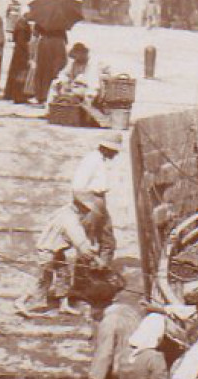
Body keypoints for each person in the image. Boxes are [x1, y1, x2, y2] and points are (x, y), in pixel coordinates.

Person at [17, 198, 101, 317]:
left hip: (57, 249)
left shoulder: (64, 210)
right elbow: (80, 242)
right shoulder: (71, 220)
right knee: (44, 279)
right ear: (79, 208)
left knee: (64, 275)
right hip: (48, 250)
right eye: (86, 210)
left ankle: (64, 304)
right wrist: (96, 259)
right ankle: (22, 301)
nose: (87, 213)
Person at [87, 280, 144, 379]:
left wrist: (95, 376)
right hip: (136, 361)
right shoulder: (130, 311)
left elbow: (105, 353)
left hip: (119, 366)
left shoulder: (109, 322)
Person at [71, 132, 122, 262]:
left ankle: (101, 271)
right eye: (114, 151)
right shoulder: (91, 161)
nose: (116, 154)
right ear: (106, 148)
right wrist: (90, 207)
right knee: (87, 242)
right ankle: (84, 276)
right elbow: (77, 187)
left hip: (98, 202)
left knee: (108, 241)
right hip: (89, 204)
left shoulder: (101, 160)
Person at [30, 24, 70, 107]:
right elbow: (65, 40)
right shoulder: (60, 19)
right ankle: (47, 95)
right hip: (58, 43)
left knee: (41, 69)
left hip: (44, 42)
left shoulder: (43, 17)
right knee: (53, 70)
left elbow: (35, 33)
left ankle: (39, 95)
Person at [3, 18, 34, 103]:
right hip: (22, 53)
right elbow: (22, 41)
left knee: (15, 72)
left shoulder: (20, 23)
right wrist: (28, 52)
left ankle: (10, 93)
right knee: (21, 73)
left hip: (17, 51)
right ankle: (18, 95)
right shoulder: (23, 26)